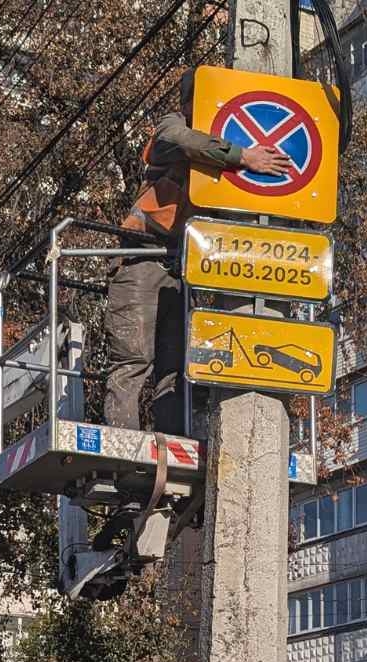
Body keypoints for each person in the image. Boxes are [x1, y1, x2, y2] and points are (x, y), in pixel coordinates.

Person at [104, 84, 292, 433]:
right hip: (140, 258)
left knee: (175, 370)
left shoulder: (225, 144)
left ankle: (170, 442)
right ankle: (121, 446)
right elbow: (177, 139)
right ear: (191, 101)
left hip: (183, 268)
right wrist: (243, 156)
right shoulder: (173, 128)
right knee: (133, 360)